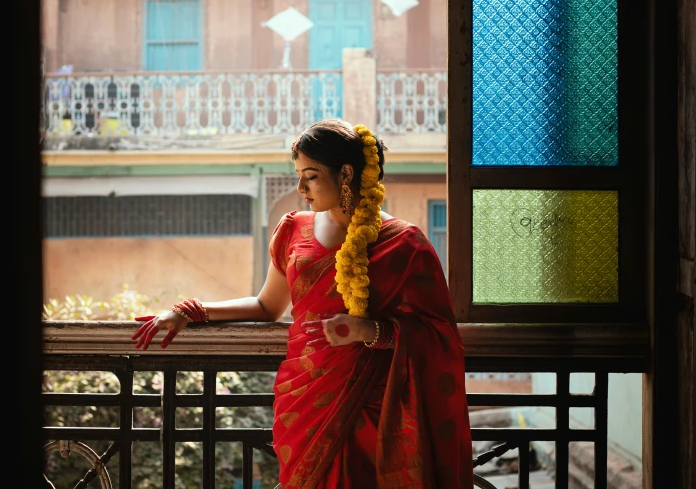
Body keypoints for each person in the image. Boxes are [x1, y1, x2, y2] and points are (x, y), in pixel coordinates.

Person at [131, 119, 473, 488]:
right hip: (307, 401)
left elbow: (438, 335)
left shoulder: (404, 244)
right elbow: (266, 306)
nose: (300, 188)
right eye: (298, 175)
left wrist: (367, 330)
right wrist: (190, 311)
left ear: (345, 173)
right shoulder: (294, 229)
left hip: (373, 410)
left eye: (310, 176)